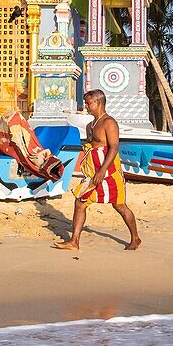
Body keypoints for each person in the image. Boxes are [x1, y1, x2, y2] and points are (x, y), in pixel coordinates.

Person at [54, 89, 142, 251]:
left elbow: (114, 147)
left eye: (89, 103)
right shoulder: (90, 125)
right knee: (80, 202)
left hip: (109, 172)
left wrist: (102, 171)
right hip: (92, 171)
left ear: (99, 102)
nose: (86, 106)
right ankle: (74, 241)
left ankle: (135, 238)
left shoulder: (109, 123)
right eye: (86, 103)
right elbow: (92, 145)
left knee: (119, 206)